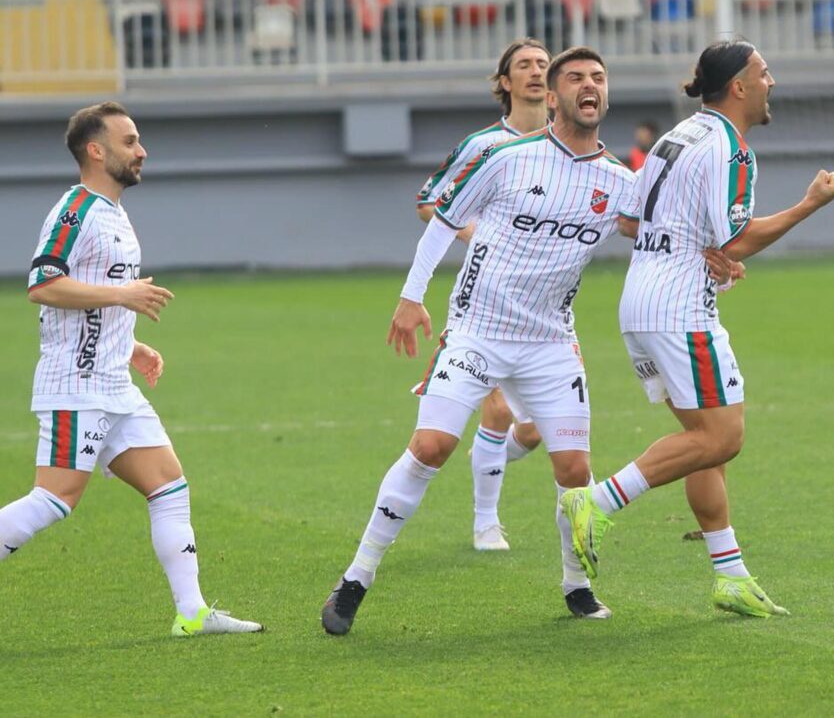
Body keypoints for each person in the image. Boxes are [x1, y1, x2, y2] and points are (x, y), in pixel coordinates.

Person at [321, 47, 639, 634]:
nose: (589, 85)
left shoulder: (622, 182)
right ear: (554, 96)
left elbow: (656, 234)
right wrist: (412, 297)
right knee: (431, 446)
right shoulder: (504, 156)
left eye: (598, 77)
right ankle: (355, 579)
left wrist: (712, 258)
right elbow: (441, 219)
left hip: (550, 342)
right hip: (476, 331)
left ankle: (577, 585)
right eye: (575, 77)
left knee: (575, 469)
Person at [560, 41, 834, 618]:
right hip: (680, 310)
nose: (771, 82)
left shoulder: (678, 135)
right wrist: (809, 204)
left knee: (700, 444)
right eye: (764, 73)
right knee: (722, 437)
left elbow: (636, 220)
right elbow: (739, 238)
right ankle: (598, 502)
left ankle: (730, 575)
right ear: (738, 86)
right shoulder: (732, 149)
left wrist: (706, 251)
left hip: (640, 302)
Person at [2, 102, 262, 637]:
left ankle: (192, 614)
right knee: (55, 499)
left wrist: (130, 345)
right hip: (76, 385)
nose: (141, 151)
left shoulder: (113, 212)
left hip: (113, 383)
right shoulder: (74, 211)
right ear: (95, 151)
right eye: (129, 142)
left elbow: (92, 298)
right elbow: (43, 285)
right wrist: (124, 296)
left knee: (168, 484)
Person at [415, 39, 552, 552]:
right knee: (496, 412)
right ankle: (485, 523)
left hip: (543, 308)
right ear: (505, 82)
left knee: (534, 431)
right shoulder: (482, 145)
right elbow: (429, 201)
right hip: (484, 301)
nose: (536, 72)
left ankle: (486, 457)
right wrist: (474, 233)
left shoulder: (567, 145)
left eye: (544, 64)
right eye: (525, 65)